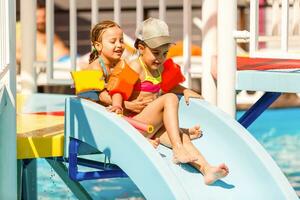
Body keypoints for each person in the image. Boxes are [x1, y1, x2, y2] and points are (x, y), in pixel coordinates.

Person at [107, 18, 229, 185]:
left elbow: (171, 85)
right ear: (141, 48)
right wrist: (117, 106)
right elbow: (118, 90)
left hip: (151, 127)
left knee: (182, 137)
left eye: (164, 53)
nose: (160, 58)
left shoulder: (162, 68)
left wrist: (185, 90)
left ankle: (206, 170)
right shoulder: (135, 67)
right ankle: (178, 149)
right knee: (169, 99)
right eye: (156, 53)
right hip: (134, 127)